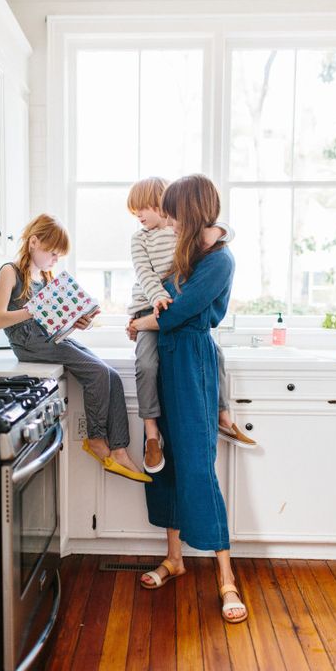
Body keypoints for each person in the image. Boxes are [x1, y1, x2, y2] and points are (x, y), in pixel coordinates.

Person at [127, 174, 248, 623]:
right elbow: (156, 300)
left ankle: (226, 576)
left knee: (198, 465)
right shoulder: (185, 249)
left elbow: (177, 313)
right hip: (165, 354)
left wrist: (142, 324)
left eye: (175, 214)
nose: (170, 222)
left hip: (192, 359)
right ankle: (175, 559)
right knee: (167, 465)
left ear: (192, 212)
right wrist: (144, 321)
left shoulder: (219, 260)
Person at [0, 213, 152, 484]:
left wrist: (78, 322)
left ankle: (120, 449)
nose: (55, 260)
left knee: (110, 374)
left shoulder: (44, 276)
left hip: (49, 339)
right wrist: (33, 310)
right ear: (34, 242)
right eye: (53, 253)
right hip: (28, 345)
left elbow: (52, 322)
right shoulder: (10, 271)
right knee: (98, 373)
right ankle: (97, 440)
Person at [127, 177, 256, 474]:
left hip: (172, 313)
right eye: (135, 212)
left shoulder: (180, 233)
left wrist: (220, 230)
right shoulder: (140, 239)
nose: (140, 216)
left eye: (144, 207)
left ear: (165, 206)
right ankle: (151, 435)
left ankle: (224, 416)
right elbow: (144, 274)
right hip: (149, 305)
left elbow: (220, 233)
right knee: (146, 365)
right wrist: (155, 303)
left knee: (216, 356)